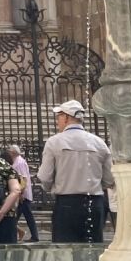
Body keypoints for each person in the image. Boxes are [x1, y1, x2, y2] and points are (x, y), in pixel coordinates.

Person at [37, 101, 114, 244]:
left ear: (66, 118)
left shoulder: (54, 142)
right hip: (94, 202)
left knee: (65, 252)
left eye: (59, 116)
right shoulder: (98, 142)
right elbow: (109, 179)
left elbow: (45, 176)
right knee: (93, 247)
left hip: (67, 203)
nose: (57, 121)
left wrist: (52, 187)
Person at [4, 146, 40, 242]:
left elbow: (23, 179)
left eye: (9, 151)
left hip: (22, 195)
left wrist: (21, 193)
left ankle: (33, 235)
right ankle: (21, 233)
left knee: (22, 217)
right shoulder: (18, 161)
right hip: (21, 194)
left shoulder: (19, 163)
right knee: (17, 217)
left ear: (13, 152)